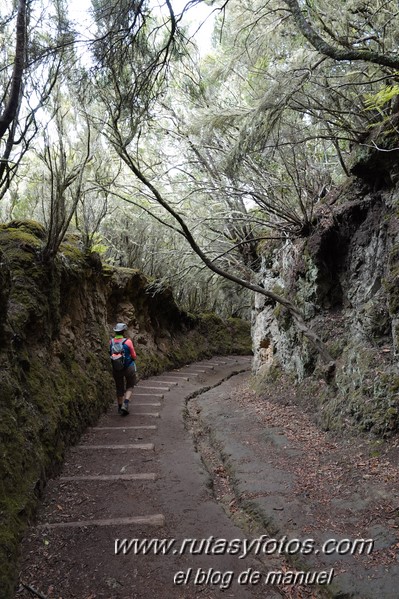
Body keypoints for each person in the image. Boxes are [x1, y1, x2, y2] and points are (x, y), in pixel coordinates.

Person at [109, 323, 137, 415]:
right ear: (124, 331)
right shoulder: (128, 342)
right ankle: (125, 404)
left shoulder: (111, 342)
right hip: (128, 366)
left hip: (116, 368)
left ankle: (120, 407)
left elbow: (110, 353)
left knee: (119, 387)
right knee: (130, 385)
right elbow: (134, 355)